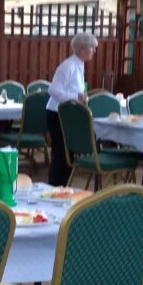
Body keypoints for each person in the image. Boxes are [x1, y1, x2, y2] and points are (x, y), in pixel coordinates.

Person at [46, 32, 98, 186]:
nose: (94, 51)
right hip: (56, 114)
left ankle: (62, 187)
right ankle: (55, 187)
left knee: (67, 154)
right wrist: (76, 96)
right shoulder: (68, 66)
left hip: (66, 114)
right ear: (82, 49)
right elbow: (53, 90)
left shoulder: (79, 65)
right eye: (92, 48)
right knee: (61, 154)